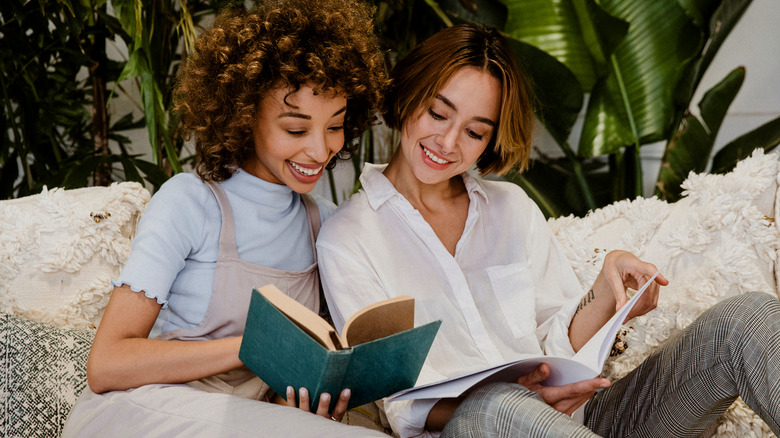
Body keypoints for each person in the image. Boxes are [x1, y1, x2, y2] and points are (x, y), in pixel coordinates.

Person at [316, 23, 780, 438]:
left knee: (745, 320)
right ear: (408, 97)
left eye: (475, 132)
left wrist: (605, 289)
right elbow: (400, 403)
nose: (448, 142)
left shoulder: (512, 209)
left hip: (579, 422)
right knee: (497, 403)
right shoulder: (349, 238)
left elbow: (559, 344)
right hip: (472, 428)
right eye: (438, 114)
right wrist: (518, 403)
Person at [62, 1, 390, 436]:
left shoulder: (324, 226)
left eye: (335, 126)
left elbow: (274, 394)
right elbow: (106, 365)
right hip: (141, 411)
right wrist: (253, 347)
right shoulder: (189, 203)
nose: (319, 150)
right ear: (244, 112)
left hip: (244, 421)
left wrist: (310, 395)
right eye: (296, 129)